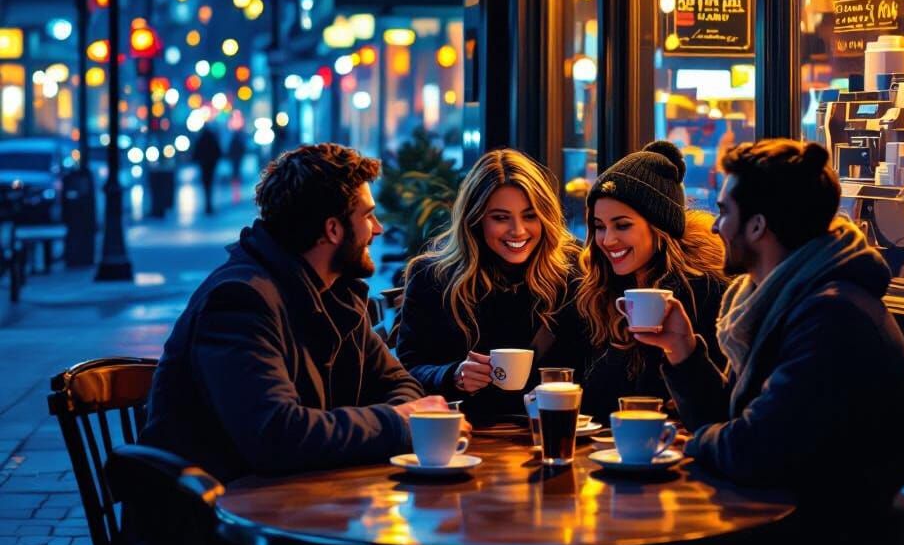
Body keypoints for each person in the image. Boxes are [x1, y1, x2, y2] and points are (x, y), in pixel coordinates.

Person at [635, 138, 904, 545]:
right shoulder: (785, 298)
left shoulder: (830, 316)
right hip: (777, 528)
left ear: (757, 226)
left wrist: (692, 442)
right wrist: (683, 351)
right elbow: (734, 423)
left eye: (724, 212)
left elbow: (753, 450)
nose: (714, 226)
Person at [142, 143, 449, 483]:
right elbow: (276, 436)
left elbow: (399, 382)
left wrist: (398, 416)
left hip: (301, 495)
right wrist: (397, 421)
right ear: (332, 229)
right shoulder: (239, 300)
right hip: (218, 518)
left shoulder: (335, 291)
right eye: (367, 215)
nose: (377, 229)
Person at [396, 149, 578, 426]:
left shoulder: (571, 271)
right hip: (466, 432)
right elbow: (407, 371)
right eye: (501, 218)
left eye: (530, 216)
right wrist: (453, 376)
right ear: (476, 219)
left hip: (553, 431)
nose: (518, 230)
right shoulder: (433, 277)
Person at [549, 140, 726, 423]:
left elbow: (708, 404)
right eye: (599, 226)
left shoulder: (702, 291)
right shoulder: (599, 292)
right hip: (605, 454)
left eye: (622, 225)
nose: (607, 240)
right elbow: (593, 401)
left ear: (659, 227)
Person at [193, 124, 222, 215]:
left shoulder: (201, 139)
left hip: (204, 166)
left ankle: (207, 205)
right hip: (211, 165)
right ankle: (209, 205)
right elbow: (218, 151)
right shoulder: (212, 139)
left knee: (206, 186)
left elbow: (196, 152)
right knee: (209, 185)